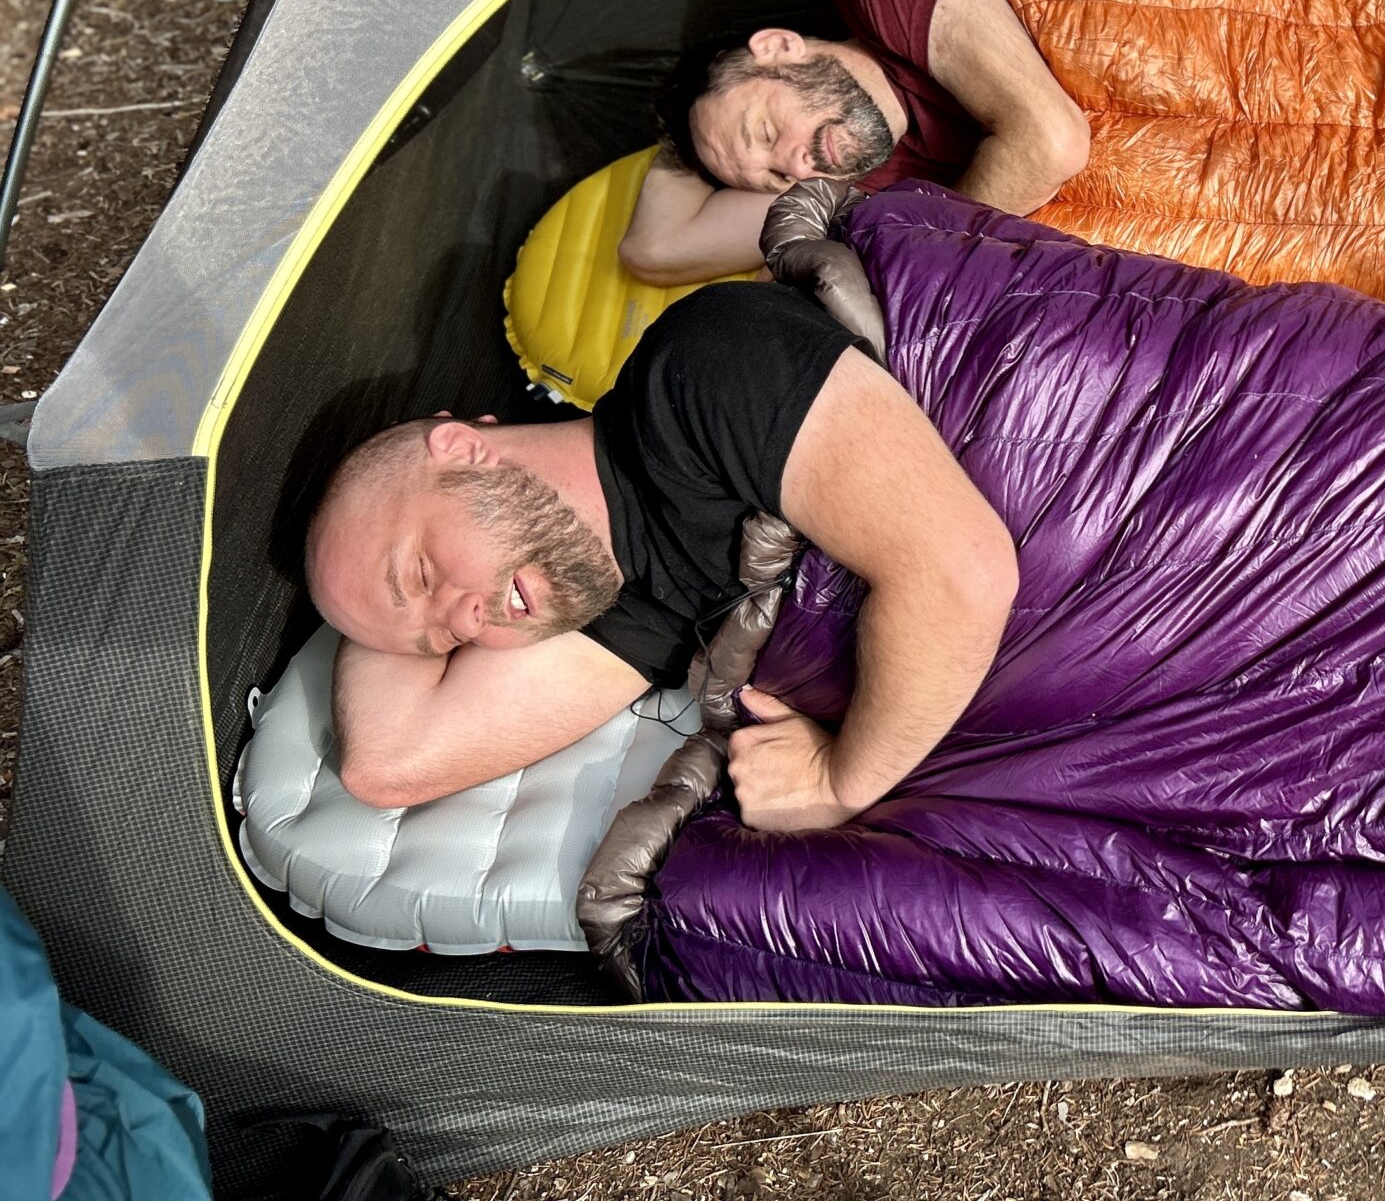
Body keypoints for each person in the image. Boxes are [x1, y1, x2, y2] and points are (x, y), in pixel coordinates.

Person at [304, 277, 1018, 835]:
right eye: (446, 642)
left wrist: (841, 782)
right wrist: (384, 620)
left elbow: (962, 573)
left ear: (462, 447)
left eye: (422, 572)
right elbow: (386, 763)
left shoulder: (700, 363)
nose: (465, 617)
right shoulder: (635, 608)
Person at [615, 0, 1088, 284]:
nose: (799, 166)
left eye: (764, 131)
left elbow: (1048, 144)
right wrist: (687, 143)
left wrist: (916, 245)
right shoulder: (856, 182)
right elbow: (653, 253)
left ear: (780, 46)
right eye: (779, 177)